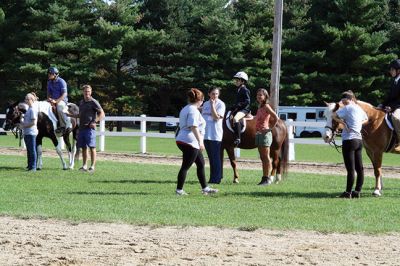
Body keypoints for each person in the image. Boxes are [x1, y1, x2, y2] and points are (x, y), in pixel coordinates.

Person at [175, 88, 218, 195]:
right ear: (200, 100)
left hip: (183, 139)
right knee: (186, 166)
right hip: (190, 141)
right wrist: (200, 142)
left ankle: (205, 188)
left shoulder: (186, 108)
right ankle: (179, 190)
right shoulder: (193, 110)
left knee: (201, 163)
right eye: (202, 101)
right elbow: (193, 126)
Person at [333, 90, 368, 198]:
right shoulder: (359, 108)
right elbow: (366, 119)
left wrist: (343, 123)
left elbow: (334, 115)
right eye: (343, 102)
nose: (344, 104)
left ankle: (348, 192)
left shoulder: (347, 109)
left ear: (350, 100)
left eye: (345, 101)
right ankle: (357, 191)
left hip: (349, 140)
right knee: (359, 168)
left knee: (350, 169)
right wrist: (357, 125)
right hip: (358, 140)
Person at [75, 85, 105, 173]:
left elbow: (102, 114)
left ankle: (92, 166)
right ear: (83, 92)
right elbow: (80, 115)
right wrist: (69, 115)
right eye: (85, 91)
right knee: (83, 148)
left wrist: (94, 121)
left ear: (91, 92)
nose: (87, 93)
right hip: (82, 128)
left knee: (92, 147)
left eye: (88, 91)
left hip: (90, 129)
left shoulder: (94, 102)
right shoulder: (81, 102)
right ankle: (84, 166)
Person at [201, 87, 226, 184]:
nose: (214, 96)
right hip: (206, 135)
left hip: (215, 135)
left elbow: (216, 118)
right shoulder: (205, 104)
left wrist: (212, 105)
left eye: (216, 94)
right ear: (208, 94)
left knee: (216, 157)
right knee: (211, 158)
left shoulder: (220, 104)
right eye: (212, 93)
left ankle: (217, 179)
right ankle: (212, 178)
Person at [254, 88, 278, 186]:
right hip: (259, 134)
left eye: (261, 95)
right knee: (262, 157)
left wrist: (269, 128)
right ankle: (264, 178)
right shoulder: (260, 106)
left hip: (265, 135)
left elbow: (276, 117)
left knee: (266, 157)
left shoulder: (266, 106)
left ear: (265, 96)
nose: (259, 96)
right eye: (258, 95)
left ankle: (267, 178)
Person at [378, 59, 400, 151]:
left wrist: (392, 107)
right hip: (393, 106)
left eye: (392, 69)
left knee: (396, 118)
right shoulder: (394, 81)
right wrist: (382, 105)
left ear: (398, 70)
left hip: (398, 106)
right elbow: (390, 97)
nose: (390, 71)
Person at [47, 66, 71, 134]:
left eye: (50, 73)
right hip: (52, 100)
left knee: (60, 107)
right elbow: (48, 94)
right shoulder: (49, 82)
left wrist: (56, 101)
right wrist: (49, 99)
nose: (48, 75)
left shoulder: (61, 81)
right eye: (48, 73)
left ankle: (63, 126)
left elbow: (64, 94)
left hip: (62, 100)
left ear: (55, 74)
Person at [230, 71, 251, 146]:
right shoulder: (238, 90)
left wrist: (238, 105)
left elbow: (247, 101)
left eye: (237, 80)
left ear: (242, 81)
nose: (236, 81)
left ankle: (238, 138)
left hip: (244, 109)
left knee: (236, 119)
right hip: (239, 109)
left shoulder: (245, 90)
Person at [21, 93, 38, 172]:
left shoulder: (32, 110)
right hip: (27, 133)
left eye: (27, 99)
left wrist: (24, 126)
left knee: (32, 150)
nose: (25, 101)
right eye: (25, 99)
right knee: (29, 150)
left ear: (31, 100)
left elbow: (33, 123)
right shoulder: (29, 110)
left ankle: (33, 167)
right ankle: (30, 166)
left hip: (31, 133)